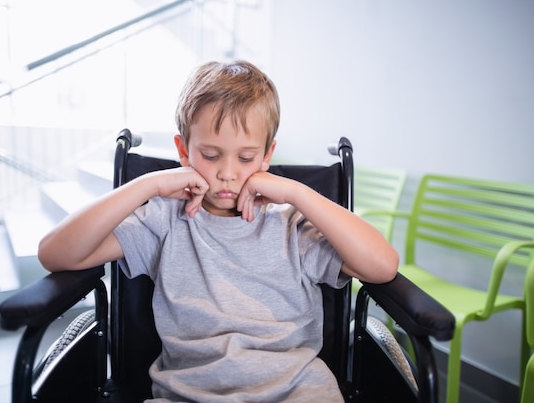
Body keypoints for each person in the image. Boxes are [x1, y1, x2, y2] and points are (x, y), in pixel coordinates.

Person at [38, 59, 399, 402]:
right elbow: (55, 253)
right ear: (184, 150)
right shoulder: (163, 219)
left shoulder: (291, 222)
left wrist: (295, 192)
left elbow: (382, 265)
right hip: (190, 393)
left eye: (245, 158)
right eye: (210, 155)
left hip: (295, 391)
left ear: (266, 156)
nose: (228, 172)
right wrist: (148, 185)